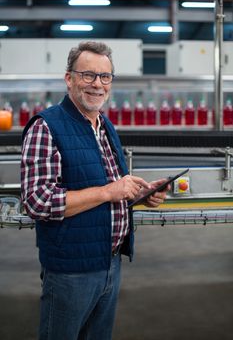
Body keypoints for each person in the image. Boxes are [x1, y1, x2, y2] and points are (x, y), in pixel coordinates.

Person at [21, 41, 169, 340]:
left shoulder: (104, 125)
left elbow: (112, 186)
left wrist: (139, 194)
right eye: (88, 75)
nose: (97, 84)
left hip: (110, 263)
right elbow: (37, 202)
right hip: (70, 271)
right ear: (69, 78)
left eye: (105, 77)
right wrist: (108, 192)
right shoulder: (46, 126)